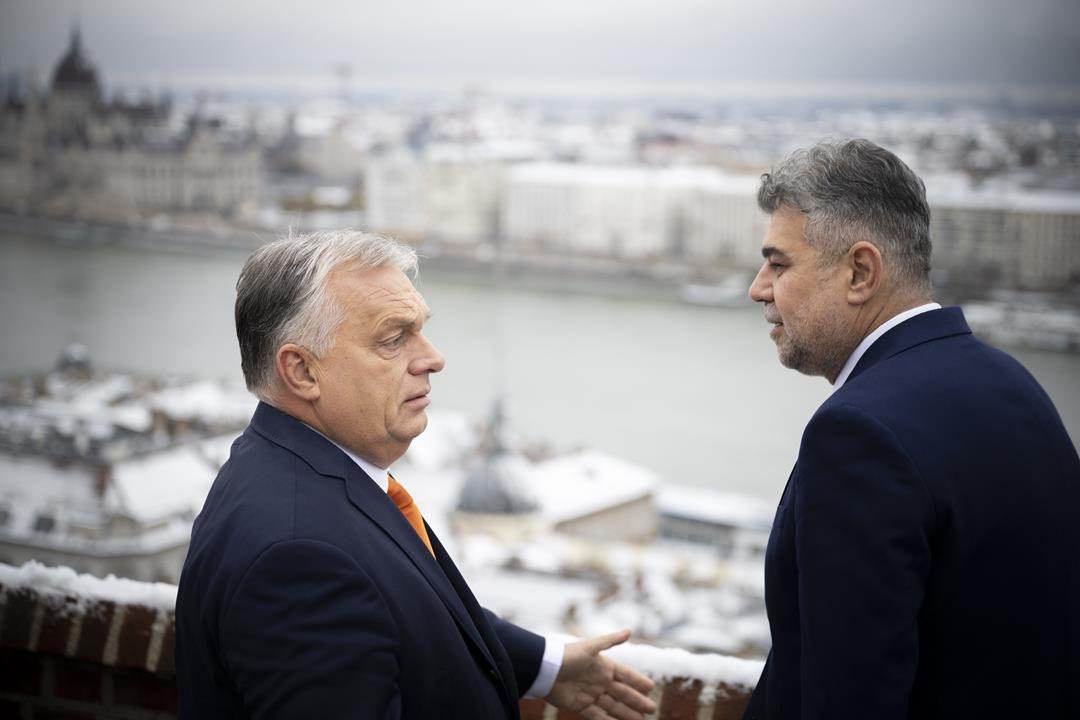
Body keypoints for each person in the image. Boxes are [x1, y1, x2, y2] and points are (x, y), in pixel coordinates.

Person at [175, 230, 657, 720]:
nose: (433, 358)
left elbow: (405, 610)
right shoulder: (301, 558)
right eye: (393, 339)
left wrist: (544, 665)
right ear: (301, 371)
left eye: (421, 329)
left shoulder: (283, 468)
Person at [742, 139, 1080, 719]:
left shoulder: (858, 434)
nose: (758, 288)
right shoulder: (1014, 384)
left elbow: (849, 701)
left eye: (779, 263)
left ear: (860, 272)